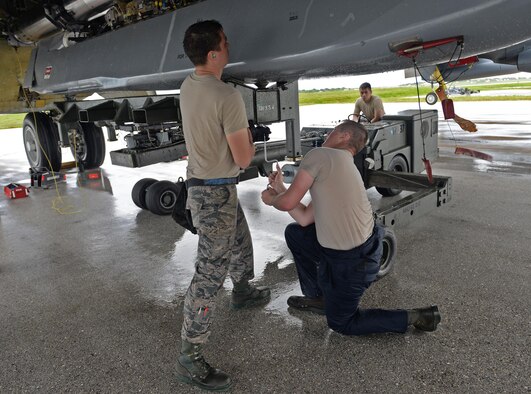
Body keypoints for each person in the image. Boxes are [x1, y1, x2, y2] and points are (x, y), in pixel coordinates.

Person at [261, 120, 441, 337]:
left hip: (354, 262)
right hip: (358, 254)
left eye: (332, 132)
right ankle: (320, 298)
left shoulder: (321, 154)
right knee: (296, 234)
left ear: (343, 135)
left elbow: (287, 203)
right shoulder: (341, 167)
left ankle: (417, 316)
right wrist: (280, 188)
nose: (326, 137)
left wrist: (272, 198)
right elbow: (304, 218)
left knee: (343, 324)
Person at [177, 20, 270, 391]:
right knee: (208, 276)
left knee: (240, 240)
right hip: (215, 192)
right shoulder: (227, 96)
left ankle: (244, 290)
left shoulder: (188, 84)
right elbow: (244, 157)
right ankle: (190, 359)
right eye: (225, 42)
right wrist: (247, 133)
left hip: (205, 187)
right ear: (214, 54)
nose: (230, 46)